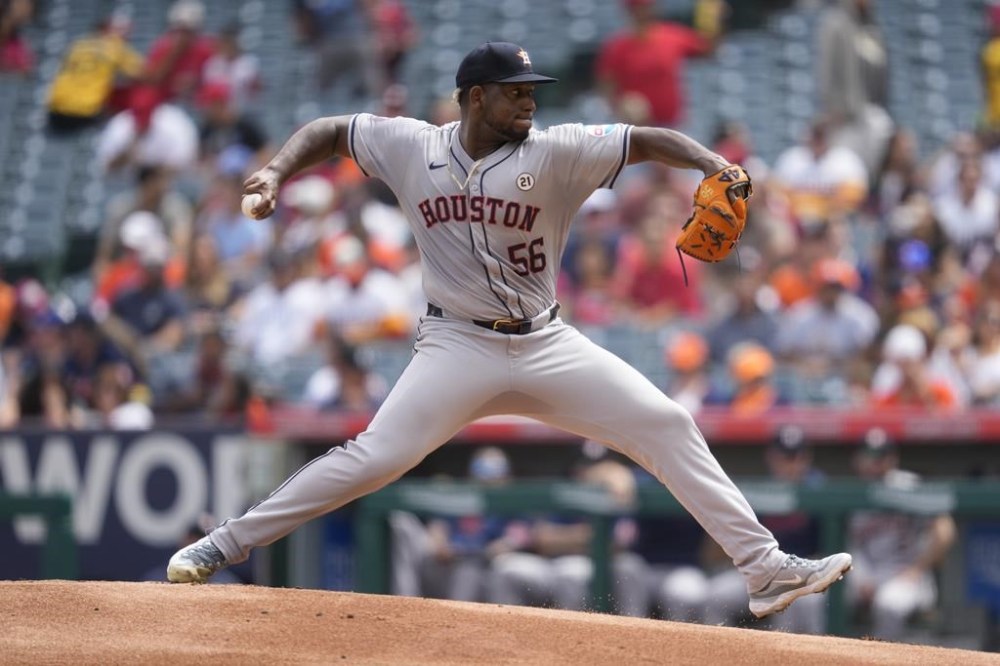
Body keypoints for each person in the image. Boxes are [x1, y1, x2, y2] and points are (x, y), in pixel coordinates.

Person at [167, 41, 852, 620]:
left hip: (545, 341)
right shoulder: (411, 145)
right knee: (374, 457)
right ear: (473, 98)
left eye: (532, 91)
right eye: (514, 92)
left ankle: (764, 571)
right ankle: (222, 544)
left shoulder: (555, 152)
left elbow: (643, 141)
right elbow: (329, 131)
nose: (529, 102)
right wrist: (276, 170)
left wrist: (710, 163)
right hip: (455, 345)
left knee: (667, 423)